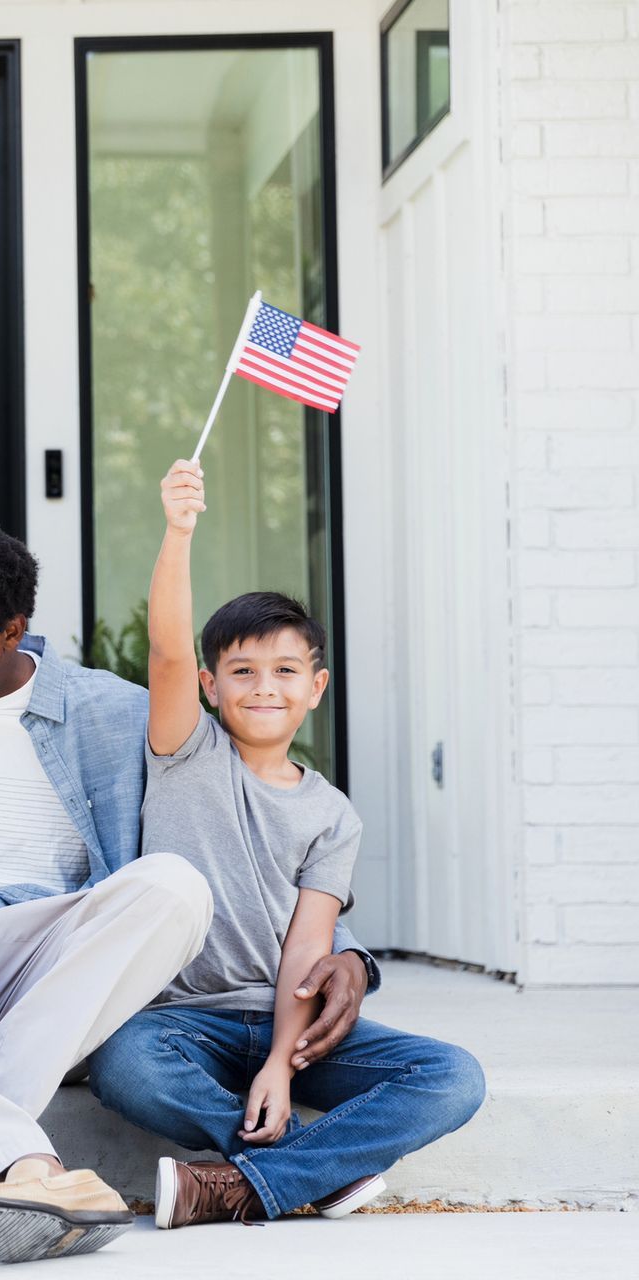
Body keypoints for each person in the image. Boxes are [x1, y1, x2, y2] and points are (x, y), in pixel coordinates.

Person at [0, 514, 382, 1264]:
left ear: (11, 631)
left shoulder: (112, 714)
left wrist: (345, 950)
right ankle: (24, 1163)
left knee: (173, 886)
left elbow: (240, 831)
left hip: (50, 979)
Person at [84, 460, 487, 1229]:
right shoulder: (184, 753)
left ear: (316, 686)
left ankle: (236, 1186)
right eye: (241, 670)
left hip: (286, 1028)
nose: (263, 685)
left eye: (283, 670)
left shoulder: (331, 815)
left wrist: (277, 1061)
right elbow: (167, 650)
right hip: (179, 1021)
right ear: (210, 686)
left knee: (452, 1077)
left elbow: (308, 949)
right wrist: (178, 531)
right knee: (122, 1064)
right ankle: (310, 1171)